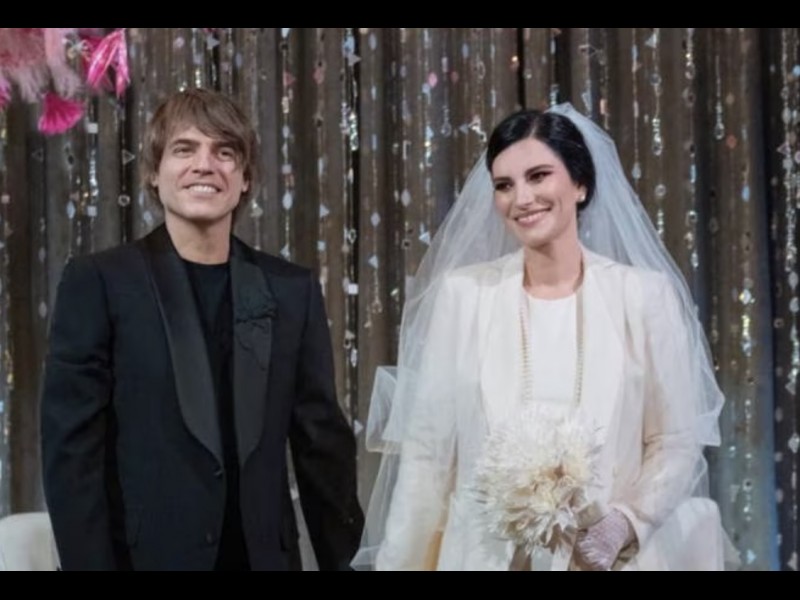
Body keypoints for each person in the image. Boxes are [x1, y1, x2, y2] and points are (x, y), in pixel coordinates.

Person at [354, 103, 737, 571]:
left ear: (580, 184)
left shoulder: (643, 297)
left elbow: (675, 441)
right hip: (481, 557)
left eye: (538, 176)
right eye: (504, 185)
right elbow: (426, 458)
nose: (522, 198)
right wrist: (397, 563)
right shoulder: (463, 296)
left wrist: (626, 523)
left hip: (604, 561)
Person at [40, 88, 364, 571]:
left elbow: (323, 450)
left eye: (224, 152)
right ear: (155, 171)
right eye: (184, 149)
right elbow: (71, 454)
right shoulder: (99, 282)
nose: (204, 165)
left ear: (245, 177)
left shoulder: (291, 290)